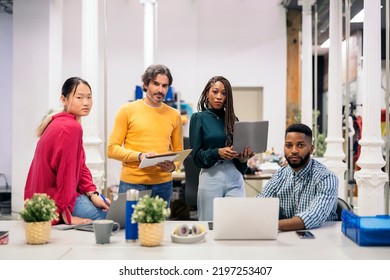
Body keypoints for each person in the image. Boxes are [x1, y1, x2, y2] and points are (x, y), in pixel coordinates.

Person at [24, 77, 110, 225]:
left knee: (105, 204)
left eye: (89, 97)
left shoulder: (62, 122)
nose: (86, 102)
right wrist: (67, 215)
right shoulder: (69, 128)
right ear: (63, 99)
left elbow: (80, 166)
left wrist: (93, 194)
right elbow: (66, 174)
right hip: (52, 203)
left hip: (43, 201)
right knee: (107, 215)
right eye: (79, 97)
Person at [107, 64, 183, 205]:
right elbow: (112, 149)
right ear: (145, 84)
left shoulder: (174, 115)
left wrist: (173, 166)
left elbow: (178, 151)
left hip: (163, 185)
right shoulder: (127, 110)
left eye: (165, 86)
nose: (160, 90)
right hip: (132, 184)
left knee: (158, 227)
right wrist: (140, 156)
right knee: (130, 227)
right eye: (156, 84)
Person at [189, 76, 255, 221]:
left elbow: (241, 166)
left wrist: (243, 158)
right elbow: (196, 158)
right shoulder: (198, 118)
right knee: (209, 224)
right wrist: (217, 152)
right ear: (207, 93)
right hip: (211, 176)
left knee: (236, 223)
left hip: (235, 176)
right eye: (215, 92)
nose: (219, 96)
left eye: (224, 93)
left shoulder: (233, 119)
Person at [257, 123, 338, 231]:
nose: (294, 150)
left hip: (322, 239)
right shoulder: (279, 175)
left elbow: (315, 216)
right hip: (287, 239)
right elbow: (260, 203)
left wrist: (271, 225)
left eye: (300, 145)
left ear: (311, 149)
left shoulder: (326, 178)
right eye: (289, 145)